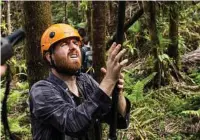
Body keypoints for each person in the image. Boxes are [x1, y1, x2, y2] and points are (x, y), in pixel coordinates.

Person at [29, 23, 130, 140]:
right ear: (49, 56)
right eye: (64, 44)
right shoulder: (41, 91)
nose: (73, 47)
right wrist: (108, 81)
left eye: (76, 43)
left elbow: (119, 121)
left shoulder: (86, 81)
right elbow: (73, 124)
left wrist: (118, 91)